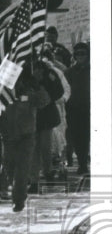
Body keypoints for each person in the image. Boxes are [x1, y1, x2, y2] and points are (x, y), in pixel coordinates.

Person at [0, 69, 50, 213]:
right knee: (9, 166)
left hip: (26, 134)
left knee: (22, 167)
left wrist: (37, 86)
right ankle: (10, 188)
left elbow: (44, 100)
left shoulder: (30, 89)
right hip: (7, 134)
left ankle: (19, 199)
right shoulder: (2, 89)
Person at [28, 57, 69, 191]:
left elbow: (59, 90)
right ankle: (34, 180)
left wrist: (44, 86)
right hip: (31, 114)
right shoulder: (25, 71)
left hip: (46, 115)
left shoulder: (49, 72)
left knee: (45, 147)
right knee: (34, 149)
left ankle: (48, 171)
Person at [64, 42, 90, 175]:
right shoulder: (69, 72)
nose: (80, 56)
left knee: (89, 137)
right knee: (79, 138)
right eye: (78, 53)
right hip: (74, 110)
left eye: (83, 53)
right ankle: (82, 164)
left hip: (90, 108)